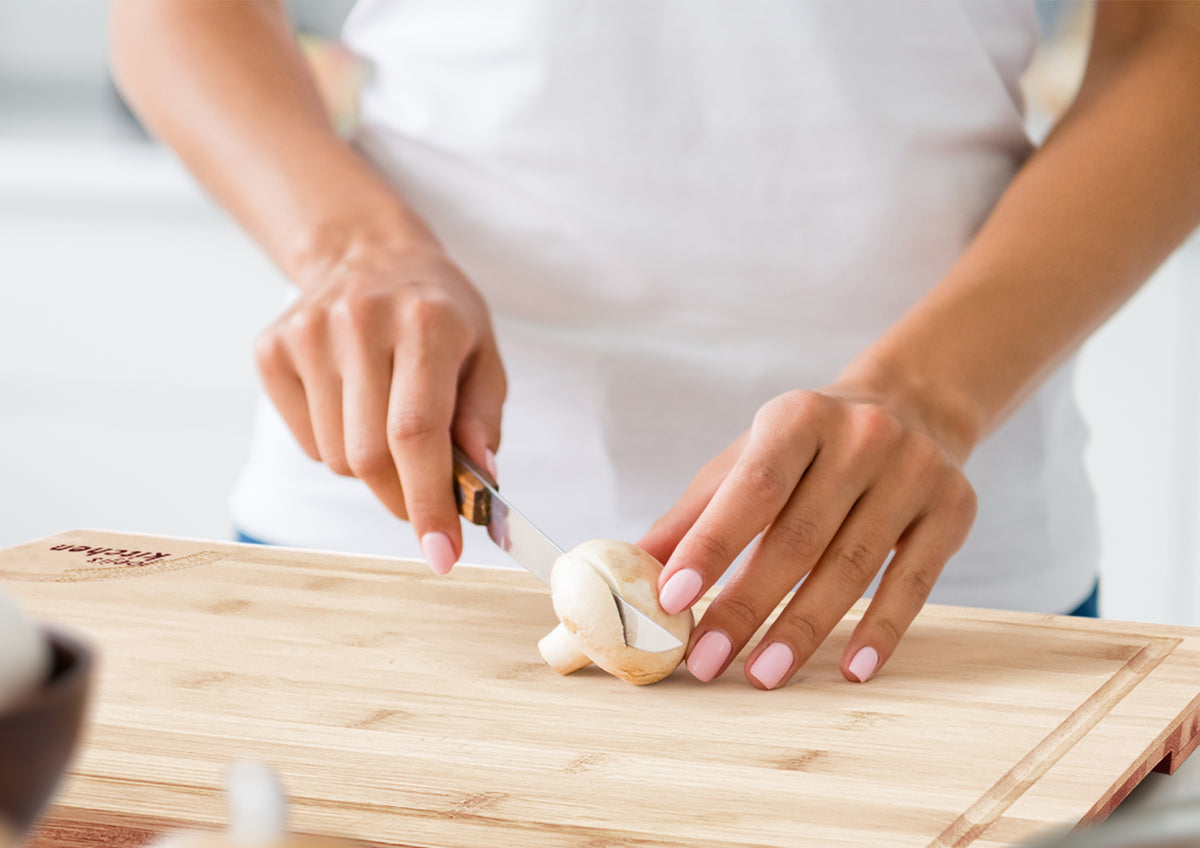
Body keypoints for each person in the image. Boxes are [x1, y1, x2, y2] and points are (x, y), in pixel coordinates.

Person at [109, 0, 1200, 689]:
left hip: (918, 580)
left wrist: (931, 394)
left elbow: (1174, 40)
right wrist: (354, 246)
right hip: (384, 526)